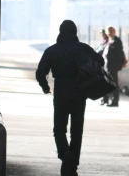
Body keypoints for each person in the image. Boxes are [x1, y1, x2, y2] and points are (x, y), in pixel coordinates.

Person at [36, 19, 104, 176]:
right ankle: (72, 165)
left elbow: (40, 72)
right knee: (77, 130)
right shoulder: (83, 49)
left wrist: (45, 87)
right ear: (75, 32)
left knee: (59, 128)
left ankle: (65, 154)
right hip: (80, 92)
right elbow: (101, 61)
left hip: (61, 92)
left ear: (60, 32)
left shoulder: (52, 51)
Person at [103, 26, 125, 107]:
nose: (110, 33)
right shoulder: (110, 40)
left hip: (113, 67)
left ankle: (115, 101)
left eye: (111, 31)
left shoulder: (116, 41)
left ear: (114, 32)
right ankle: (111, 100)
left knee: (114, 84)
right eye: (108, 31)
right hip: (109, 66)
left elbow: (119, 53)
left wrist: (118, 65)